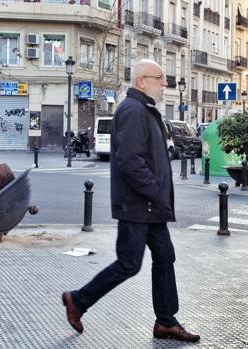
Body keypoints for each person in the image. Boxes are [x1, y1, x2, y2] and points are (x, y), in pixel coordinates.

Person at [61, 60, 200, 342]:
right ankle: (78, 300)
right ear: (142, 81)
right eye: (160, 78)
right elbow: (130, 161)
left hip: (151, 207)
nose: (165, 83)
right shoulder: (134, 111)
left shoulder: (145, 110)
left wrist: (158, 197)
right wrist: (155, 192)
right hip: (138, 205)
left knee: (165, 257)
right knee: (129, 263)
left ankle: (166, 321)